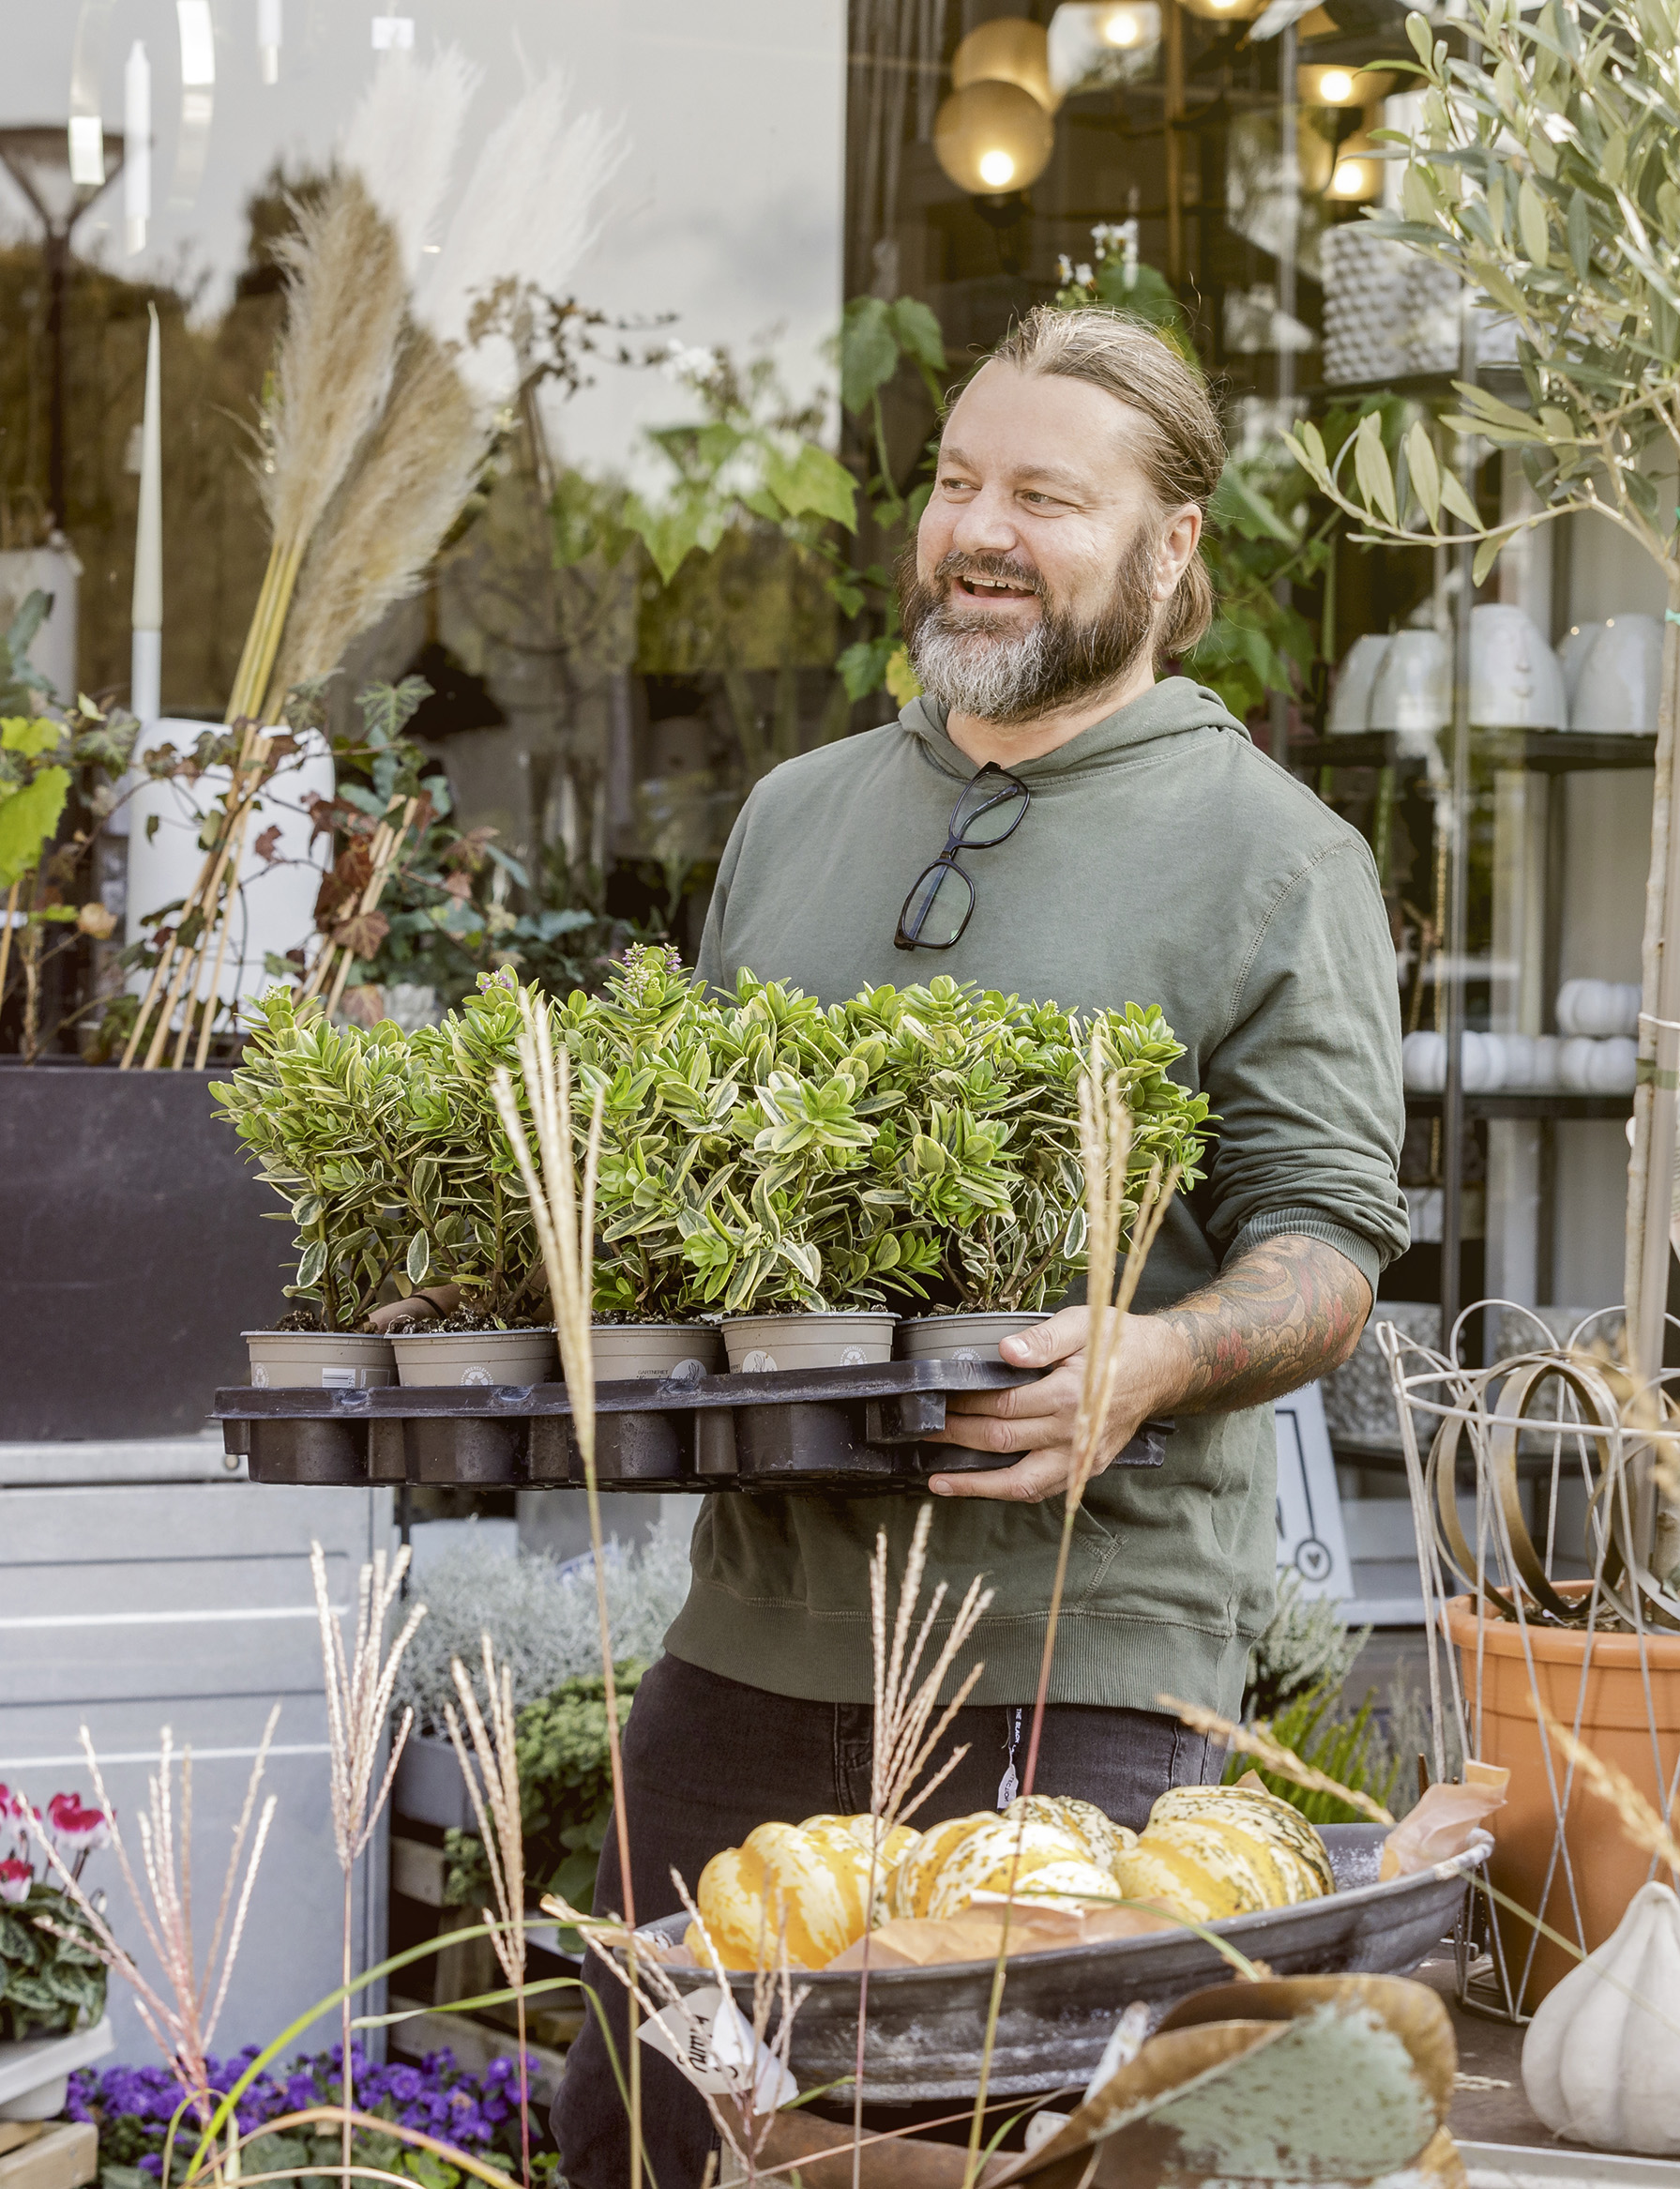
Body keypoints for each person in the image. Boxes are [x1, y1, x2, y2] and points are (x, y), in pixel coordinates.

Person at [550, 304, 1409, 2184]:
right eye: (955, 482)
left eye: (1044, 493)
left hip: (1073, 1676)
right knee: (654, 2136)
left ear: (1170, 550)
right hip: (745, 1658)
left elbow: (1328, 1243)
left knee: (987, 2159)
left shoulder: (1271, 857)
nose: (980, 528)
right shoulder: (796, 815)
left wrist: (1159, 1358)